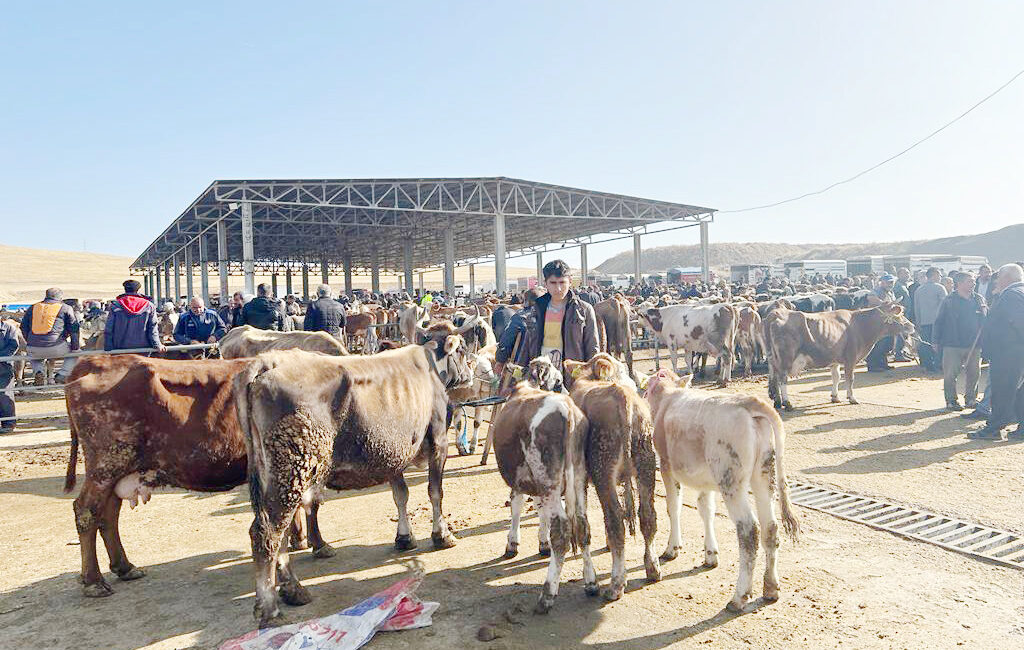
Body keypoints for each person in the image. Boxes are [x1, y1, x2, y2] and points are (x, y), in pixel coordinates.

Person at [493, 260, 598, 377]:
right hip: (540, 376)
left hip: (572, 376)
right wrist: (520, 373)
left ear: (570, 282)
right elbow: (527, 343)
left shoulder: (584, 310)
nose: (558, 288)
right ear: (546, 283)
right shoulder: (537, 309)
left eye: (562, 282)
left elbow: (592, 347)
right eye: (553, 283)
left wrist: (590, 376)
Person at [969, 263, 1024, 440]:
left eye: (998, 276)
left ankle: (994, 428)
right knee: (1018, 391)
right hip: (1014, 352)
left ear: (1008, 277)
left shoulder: (1011, 295)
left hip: (1009, 353)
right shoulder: (1019, 292)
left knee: (1002, 390)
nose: (996, 280)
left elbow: (1020, 323)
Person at [933, 272, 986, 411]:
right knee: (950, 374)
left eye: (973, 281)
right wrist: (935, 341)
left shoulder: (979, 299)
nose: (973, 284)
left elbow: (986, 319)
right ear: (960, 283)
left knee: (974, 373)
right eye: (970, 281)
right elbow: (938, 322)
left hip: (974, 344)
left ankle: (970, 399)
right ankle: (951, 401)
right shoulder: (949, 300)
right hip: (952, 344)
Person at [19, 288, 80, 385]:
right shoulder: (66, 308)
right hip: (56, 346)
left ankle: (39, 371)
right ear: (60, 297)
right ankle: (62, 374)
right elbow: (74, 329)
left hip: (34, 347)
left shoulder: (33, 307)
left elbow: (23, 327)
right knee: (76, 353)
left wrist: (30, 341)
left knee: (32, 356)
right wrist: (75, 348)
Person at [105, 280, 164, 352]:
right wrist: (157, 344)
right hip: (143, 350)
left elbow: (109, 329)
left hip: (119, 351)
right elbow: (153, 328)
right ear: (137, 290)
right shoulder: (149, 306)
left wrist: (108, 348)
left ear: (125, 289)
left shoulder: (115, 306)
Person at [914, 268, 947, 372]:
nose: (940, 277)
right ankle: (939, 364)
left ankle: (928, 365)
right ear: (934, 275)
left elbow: (917, 308)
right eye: (939, 275)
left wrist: (918, 322)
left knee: (926, 344)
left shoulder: (919, 289)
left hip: (924, 322)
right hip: (938, 322)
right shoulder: (940, 288)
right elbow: (945, 305)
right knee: (939, 343)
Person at [865, 274, 897, 371]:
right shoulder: (877, 290)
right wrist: (881, 303)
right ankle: (873, 365)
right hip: (876, 323)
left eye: (892, 282)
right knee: (878, 344)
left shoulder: (890, 292)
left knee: (887, 343)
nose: (890, 284)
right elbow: (870, 297)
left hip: (887, 322)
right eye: (888, 282)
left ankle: (883, 363)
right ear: (882, 282)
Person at [0, 317, 20, 433]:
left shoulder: (8, 328)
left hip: (3, 367)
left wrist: (2, 357)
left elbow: (14, 345)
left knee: (5, 395)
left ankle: (8, 424)